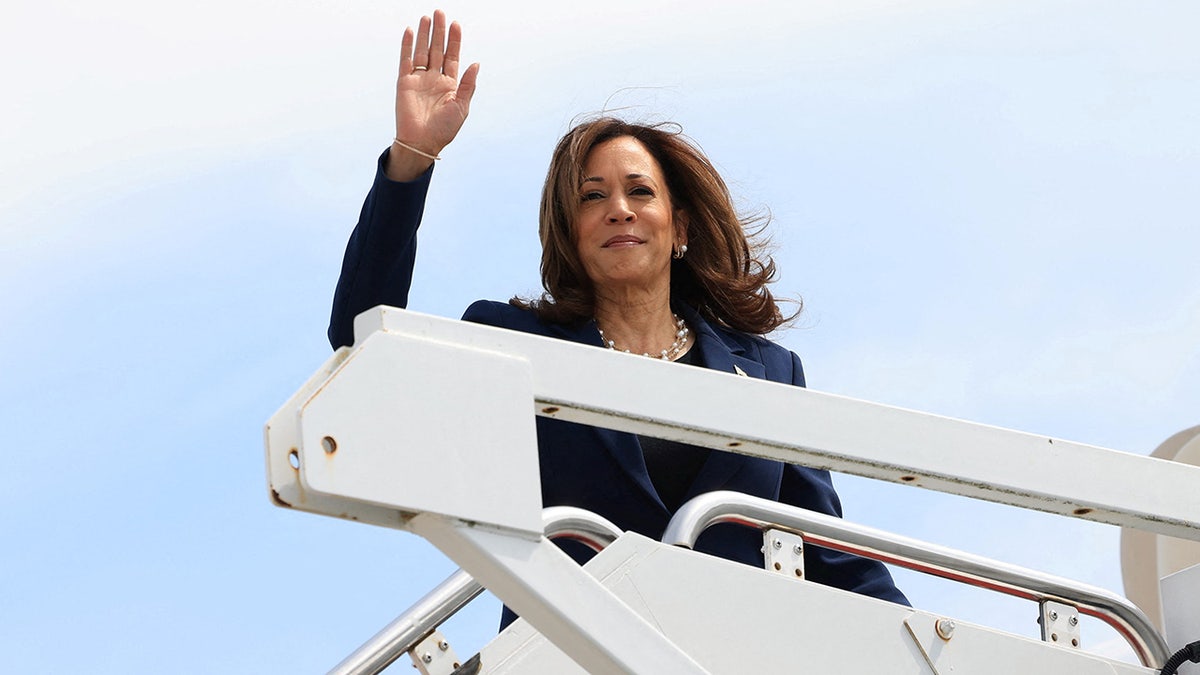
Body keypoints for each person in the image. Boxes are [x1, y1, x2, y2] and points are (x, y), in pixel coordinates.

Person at [328, 10, 908, 624]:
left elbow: (833, 557)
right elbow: (362, 343)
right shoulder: (513, 344)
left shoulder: (769, 370)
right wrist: (411, 158)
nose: (619, 210)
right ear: (569, 233)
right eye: (592, 196)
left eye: (640, 191)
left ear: (679, 226)